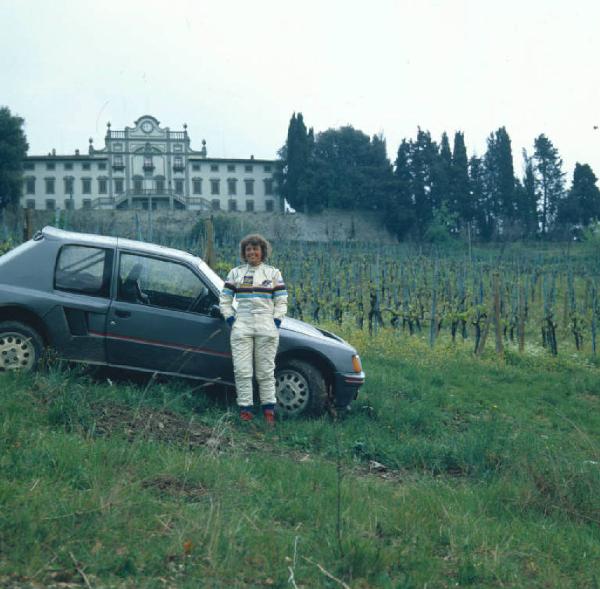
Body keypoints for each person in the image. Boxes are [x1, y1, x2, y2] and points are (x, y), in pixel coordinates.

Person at [219, 234, 288, 423]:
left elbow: (281, 301)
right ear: (244, 252)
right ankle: (246, 412)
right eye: (248, 249)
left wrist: (276, 322)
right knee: (242, 371)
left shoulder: (273, 273)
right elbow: (224, 300)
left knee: (265, 372)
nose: (252, 252)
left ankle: (268, 413)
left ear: (262, 251)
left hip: (267, 325)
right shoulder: (236, 273)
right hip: (242, 325)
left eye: (255, 248)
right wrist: (231, 320)